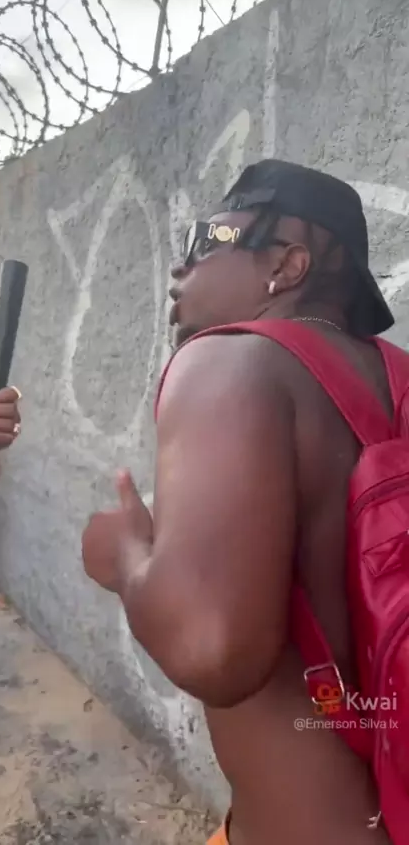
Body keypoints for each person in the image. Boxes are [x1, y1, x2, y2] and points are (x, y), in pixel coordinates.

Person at [81, 160, 397, 844]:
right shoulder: (399, 374)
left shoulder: (228, 361)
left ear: (285, 265)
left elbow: (214, 652)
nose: (180, 265)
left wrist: (125, 558)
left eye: (207, 238)